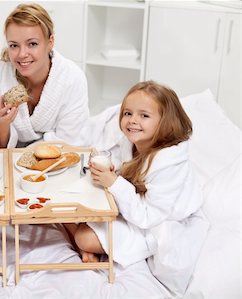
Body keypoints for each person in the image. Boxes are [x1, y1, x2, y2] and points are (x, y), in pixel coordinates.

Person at [66, 81, 207, 271]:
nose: (132, 120)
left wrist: (114, 183)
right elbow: (122, 168)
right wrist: (108, 172)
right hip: (133, 208)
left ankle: (84, 247)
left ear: (166, 122)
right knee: (66, 208)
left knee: (84, 237)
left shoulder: (168, 165)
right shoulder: (133, 143)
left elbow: (149, 217)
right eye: (128, 113)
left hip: (156, 222)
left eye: (144, 115)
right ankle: (88, 248)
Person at [0, 3, 90, 148]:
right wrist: (0, 126)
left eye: (32, 44)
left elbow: (70, 140)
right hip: (8, 153)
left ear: (50, 42)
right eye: (14, 45)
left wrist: (31, 151)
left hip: (54, 157)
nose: (22, 54)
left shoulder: (72, 78)